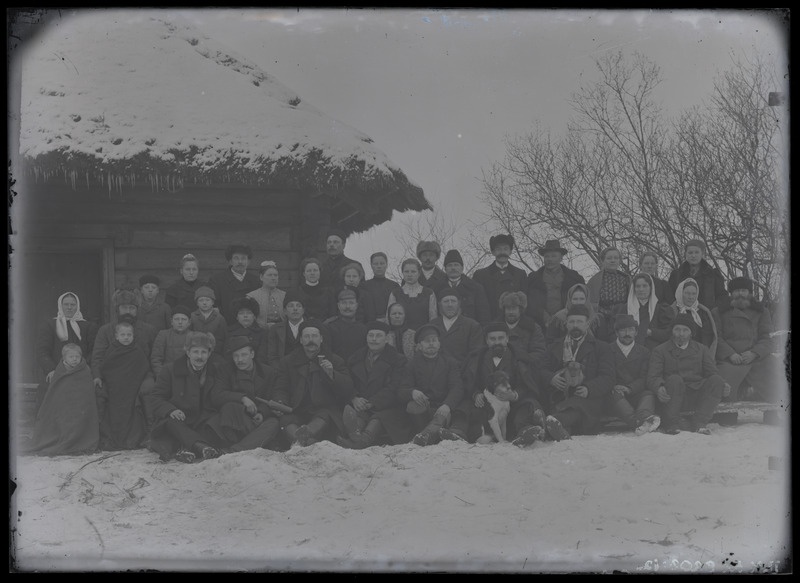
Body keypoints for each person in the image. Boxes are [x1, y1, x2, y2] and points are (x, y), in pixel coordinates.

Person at [146, 332, 245, 462]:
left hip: (203, 420)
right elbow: (156, 397)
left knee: (215, 423)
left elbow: (221, 395)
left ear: (209, 354)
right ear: (188, 352)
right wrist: (171, 410)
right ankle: (201, 446)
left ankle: (186, 449)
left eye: (204, 352)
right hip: (178, 419)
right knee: (172, 423)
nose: (199, 356)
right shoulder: (170, 370)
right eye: (195, 352)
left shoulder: (216, 371)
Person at [461, 322, 547, 447]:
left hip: (513, 404)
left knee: (526, 408)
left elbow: (527, 383)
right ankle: (473, 434)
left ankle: (526, 433)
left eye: (501, 338)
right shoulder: (478, 358)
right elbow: (469, 381)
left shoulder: (518, 357)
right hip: (487, 406)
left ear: (507, 338)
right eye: (492, 339)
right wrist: (476, 394)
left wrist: (514, 395)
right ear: (486, 340)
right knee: (467, 408)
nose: (497, 342)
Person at [272, 320, 355, 447]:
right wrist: (280, 402)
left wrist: (332, 375)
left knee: (324, 415)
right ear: (301, 340)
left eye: (315, 336)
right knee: (286, 420)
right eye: (306, 336)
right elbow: (281, 388)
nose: (311, 340)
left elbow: (348, 389)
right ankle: (307, 442)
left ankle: (302, 439)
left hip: (323, 410)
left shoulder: (335, 360)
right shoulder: (288, 362)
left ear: (321, 339)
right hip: (296, 409)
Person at [540, 304, 616, 439]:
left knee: (577, 408)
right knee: (561, 408)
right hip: (559, 396)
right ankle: (557, 427)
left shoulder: (601, 348)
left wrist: (589, 388)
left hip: (587, 399)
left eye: (579, 321)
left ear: (587, 324)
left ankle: (549, 425)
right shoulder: (554, 347)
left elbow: (608, 377)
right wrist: (551, 378)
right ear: (566, 324)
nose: (575, 325)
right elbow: (540, 369)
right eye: (572, 322)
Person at [648, 313, 729, 435]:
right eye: (677, 330)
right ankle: (671, 424)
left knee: (717, 380)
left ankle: (699, 423)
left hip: (697, 395)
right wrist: (658, 388)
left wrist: (724, 384)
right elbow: (653, 377)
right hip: (673, 396)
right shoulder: (660, 350)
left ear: (691, 333)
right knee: (675, 379)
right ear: (672, 331)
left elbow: (712, 372)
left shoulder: (701, 349)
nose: (681, 334)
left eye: (685, 330)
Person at [339, 321, 413, 449]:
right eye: (370, 335)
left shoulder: (398, 360)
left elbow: (395, 387)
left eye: (378, 336)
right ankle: (355, 435)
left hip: (388, 406)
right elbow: (348, 381)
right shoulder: (355, 358)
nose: (374, 339)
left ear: (387, 339)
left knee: (378, 419)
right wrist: (354, 398)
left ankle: (361, 442)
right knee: (358, 418)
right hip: (361, 405)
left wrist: (372, 402)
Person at [204, 335, 282, 453]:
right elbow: (217, 395)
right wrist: (242, 398)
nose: (240, 360)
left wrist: (262, 413)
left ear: (252, 354)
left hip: (257, 421)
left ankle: (236, 449)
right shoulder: (225, 370)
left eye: (244, 355)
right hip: (236, 420)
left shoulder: (268, 372)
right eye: (236, 356)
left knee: (274, 423)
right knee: (229, 407)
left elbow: (272, 397)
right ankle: (257, 443)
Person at [713, 277, 785, 403]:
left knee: (775, 372)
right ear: (731, 294)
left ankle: (773, 412)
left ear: (750, 293)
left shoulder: (762, 311)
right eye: (736, 291)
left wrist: (754, 353)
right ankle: (726, 415)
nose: (740, 294)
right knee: (721, 380)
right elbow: (716, 338)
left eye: (743, 290)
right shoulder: (719, 312)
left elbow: (768, 338)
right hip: (729, 360)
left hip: (756, 359)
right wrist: (730, 354)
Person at [400, 324, 468, 446]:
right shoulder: (412, 364)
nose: (431, 344)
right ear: (419, 346)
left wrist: (447, 405)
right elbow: (402, 389)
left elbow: (457, 387)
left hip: (444, 408)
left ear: (439, 343)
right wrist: (412, 392)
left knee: (442, 415)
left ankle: (425, 436)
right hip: (424, 409)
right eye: (426, 341)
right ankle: (429, 434)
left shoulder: (450, 362)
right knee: (412, 406)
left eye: (434, 340)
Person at [26, 343, 99, 456]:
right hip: (63, 408)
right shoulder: (59, 371)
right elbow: (56, 393)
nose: (74, 359)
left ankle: (77, 440)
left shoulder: (85, 370)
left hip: (80, 408)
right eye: (71, 357)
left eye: (77, 357)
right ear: (64, 358)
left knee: (78, 421)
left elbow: (86, 392)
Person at [34, 291, 98, 414]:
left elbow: (93, 351)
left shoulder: (88, 326)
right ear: (60, 305)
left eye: (72, 304)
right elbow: (42, 350)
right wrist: (51, 370)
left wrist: (81, 367)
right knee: (46, 390)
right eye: (66, 304)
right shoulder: (50, 325)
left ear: (77, 306)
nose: (69, 307)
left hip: (80, 371)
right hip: (56, 371)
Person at [97, 321, 150, 450]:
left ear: (133, 336)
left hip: (132, 386)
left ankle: (131, 440)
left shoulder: (137, 350)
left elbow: (142, 368)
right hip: (115, 387)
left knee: (132, 410)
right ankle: (113, 439)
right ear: (116, 336)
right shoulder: (112, 350)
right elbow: (107, 368)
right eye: (123, 335)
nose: (126, 337)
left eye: (129, 335)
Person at [91, 289, 158, 390]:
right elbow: (98, 357)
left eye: (132, 308)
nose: (128, 311)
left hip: (142, 374)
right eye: (124, 307)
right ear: (117, 309)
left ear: (137, 310)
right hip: (113, 373)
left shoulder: (148, 330)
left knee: (148, 388)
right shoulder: (106, 330)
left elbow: (155, 357)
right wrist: (97, 376)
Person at [606, 314, 660, 435]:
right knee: (613, 395)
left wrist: (629, 388)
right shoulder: (607, 350)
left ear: (636, 332)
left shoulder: (644, 352)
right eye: (623, 330)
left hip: (635, 392)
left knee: (648, 393)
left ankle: (645, 417)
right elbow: (606, 374)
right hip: (616, 396)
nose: (627, 333)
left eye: (631, 330)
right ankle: (638, 423)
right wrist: (615, 386)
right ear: (616, 333)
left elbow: (645, 377)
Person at [525, 239, 585, 327]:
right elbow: (529, 303)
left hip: (568, 323)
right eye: (547, 256)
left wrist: (562, 315)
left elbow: (581, 301)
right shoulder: (533, 279)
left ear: (561, 258)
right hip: (538, 325)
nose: (550, 259)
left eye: (553, 256)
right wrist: (544, 317)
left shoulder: (574, 278)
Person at [472, 234, 528, 323]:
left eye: (505, 249)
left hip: (513, 324)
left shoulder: (520, 274)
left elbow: (524, 305)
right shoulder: (480, 275)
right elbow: (476, 304)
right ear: (493, 252)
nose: (502, 252)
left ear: (510, 251)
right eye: (498, 249)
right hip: (489, 324)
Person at [609, 273, 673, 348]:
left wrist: (650, 332)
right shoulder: (622, 309)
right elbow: (612, 334)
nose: (641, 289)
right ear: (634, 289)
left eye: (645, 286)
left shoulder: (661, 309)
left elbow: (668, 334)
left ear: (651, 288)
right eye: (638, 286)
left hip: (655, 354)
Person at [431, 249, 491, 324]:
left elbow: (483, 315)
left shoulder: (475, 288)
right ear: (445, 269)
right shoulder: (436, 288)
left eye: (456, 265)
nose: (453, 268)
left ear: (462, 268)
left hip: (469, 331)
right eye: (450, 265)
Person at [667, 239, 728, 311]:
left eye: (696, 252)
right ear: (685, 254)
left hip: (706, 316)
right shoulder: (676, 275)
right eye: (690, 253)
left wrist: (714, 310)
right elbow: (670, 297)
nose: (693, 255)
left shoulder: (713, 274)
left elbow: (722, 296)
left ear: (702, 254)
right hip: (682, 316)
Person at [208, 242, 261, 324]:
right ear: (230, 261)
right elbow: (214, 306)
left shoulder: (256, 281)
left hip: (251, 328)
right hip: (227, 326)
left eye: (243, 258)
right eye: (236, 258)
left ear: (248, 261)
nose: (240, 262)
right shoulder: (217, 280)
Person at [429, 287, 483, 365]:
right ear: (439, 304)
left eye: (453, 301)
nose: (450, 305)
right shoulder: (432, 326)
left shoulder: (472, 326)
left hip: (462, 373)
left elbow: (475, 357)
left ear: (459, 303)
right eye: (446, 301)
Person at [671, 278, 719, 355]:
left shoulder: (703, 312)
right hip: (676, 354)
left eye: (694, 294)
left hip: (699, 353)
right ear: (680, 293)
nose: (691, 297)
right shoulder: (672, 310)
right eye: (687, 293)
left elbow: (707, 337)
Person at [386, 258, 438, 330]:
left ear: (419, 273)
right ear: (403, 273)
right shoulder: (395, 293)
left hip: (422, 336)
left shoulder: (429, 293)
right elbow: (389, 319)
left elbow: (433, 319)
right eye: (406, 272)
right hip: (400, 336)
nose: (409, 275)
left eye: (413, 272)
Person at [499, 291, 547, 364]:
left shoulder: (532, 328)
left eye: (514, 308)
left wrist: (521, 360)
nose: (511, 312)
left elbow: (539, 353)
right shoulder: (495, 327)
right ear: (504, 309)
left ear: (520, 310)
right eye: (508, 308)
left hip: (524, 368)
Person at [325, 287, 368, 361]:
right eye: (344, 303)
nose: (347, 306)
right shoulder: (329, 328)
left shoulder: (364, 329)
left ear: (356, 305)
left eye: (351, 303)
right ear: (338, 306)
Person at [150, 305, 193, 380]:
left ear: (189, 322)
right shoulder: (163, 335)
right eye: (176, 319)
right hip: (166, 375)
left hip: (187, 377)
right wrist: (162, 377)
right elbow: (156, 359)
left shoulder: (194, 336)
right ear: (171, 321)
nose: (180, 322)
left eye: (183, 319)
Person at [586, 246, 630, 320]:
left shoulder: (626, 279)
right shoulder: (594, 281)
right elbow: (590, 303)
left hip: (623, 318)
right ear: (603, 261)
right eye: (609, 258)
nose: (612, 260)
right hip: (601, 318)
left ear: (619, 261)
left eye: (616, 258)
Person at [226, 296, 269, 365]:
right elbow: (227, 356)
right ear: (237, 317)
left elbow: (262, 356)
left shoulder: (262, 333)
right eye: (241, 313)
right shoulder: (229, 332)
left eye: (249, 313)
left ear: (254, 316)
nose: (245, 316)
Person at [267, 290, 306, 366]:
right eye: (291, 306)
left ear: (303, 310)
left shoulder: (312, 327)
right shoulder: (275, 329)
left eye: (298, 306)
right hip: (283, 370)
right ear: (285, 311)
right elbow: (272, 357)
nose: (295, 309)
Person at [361, 252, 401, 324]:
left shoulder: (394, 286)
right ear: (371, 265)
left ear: (386, 265)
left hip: (390, 324)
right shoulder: (364, 286)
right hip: (369, 324)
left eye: (382, 263)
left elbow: (398, 307)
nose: (379, 266)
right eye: (376, 264)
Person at [246, 260, 286, 330]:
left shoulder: (284, 295)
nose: (273, 278)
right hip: (259, 332)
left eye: (275, 275)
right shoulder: (252, 296)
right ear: (261, 277)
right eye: (270, 275)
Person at [190, 286, 228, 356]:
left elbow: (224, 338)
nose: (204, 303)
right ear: (197, 303)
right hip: (197, 352)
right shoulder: (192, 317)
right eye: (201, 300)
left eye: (207, 300)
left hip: (215, 353)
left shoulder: (219, 318)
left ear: (213, 302)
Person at [295, 257, 334, 321]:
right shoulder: (298, 292)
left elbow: (332, 314)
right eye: (309, 271)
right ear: (304, 274)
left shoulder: (328, 292)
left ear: (319, 272)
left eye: (315, 270)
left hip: (325, 327)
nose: (312, 273)